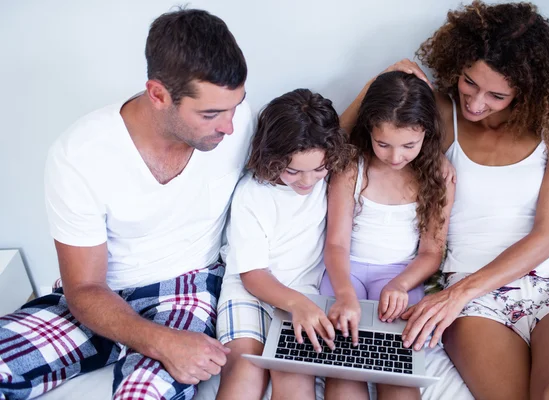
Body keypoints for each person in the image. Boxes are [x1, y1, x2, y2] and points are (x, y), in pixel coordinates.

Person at [344, 2, 549, 399]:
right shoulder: (443, 113)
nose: (476, 103)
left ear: (527, 89)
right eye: (469, 82)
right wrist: (377, 83)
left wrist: (453, 297)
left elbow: (548, 236)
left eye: (497, 94)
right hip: (470, 292)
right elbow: (334, 150)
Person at [0, 8, 252, 400]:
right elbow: (83, 287)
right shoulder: (80, 155)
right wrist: (157, 341)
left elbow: (318, 146)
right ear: (158, 94)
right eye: (210, 113)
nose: (229, 126)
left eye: (236, 106)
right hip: (101, 297)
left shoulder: (236, 126)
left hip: (187, 288)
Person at [320, 71, 454, 400]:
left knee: (397, 372)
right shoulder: (353, 166)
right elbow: (336, 243)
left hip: (400, 275)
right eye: (384, 144)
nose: (395, 157)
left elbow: (431, 252)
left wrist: (402, 284)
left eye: (409, 145)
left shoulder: (438, 174)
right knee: (343, 369)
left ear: (426, 133)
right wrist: (344, 292)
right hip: (345, 270)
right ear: (369, 131)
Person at [214, 89, 354, 400]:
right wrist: (297, 304)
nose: (307, 181)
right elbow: (252, 274)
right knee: (245, 367)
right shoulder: (253, 195)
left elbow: (348, 123)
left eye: (319, 169)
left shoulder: (326, 176)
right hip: (250, 290)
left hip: (302, 294)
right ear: (273, 158)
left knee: (294, 378)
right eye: (293, 171)